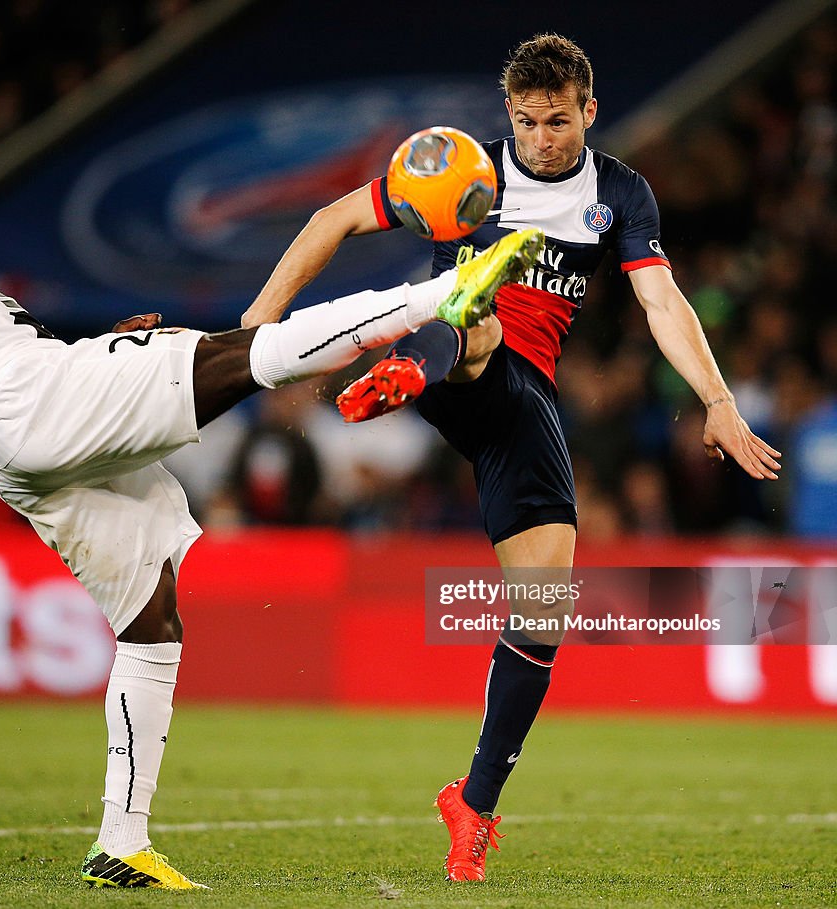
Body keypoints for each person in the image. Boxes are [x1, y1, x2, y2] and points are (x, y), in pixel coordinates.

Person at [0, 133, 543, 890]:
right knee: (239, 355)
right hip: (27, 403)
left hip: (26, 433)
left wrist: (102, 350)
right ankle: (437, 299)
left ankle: (120, 841)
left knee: (151, 620)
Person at [241, 33, 782, 883]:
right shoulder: (464, 170)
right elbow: (332, 217)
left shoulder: (620, 192)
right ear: (509, 118)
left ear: (589, 112)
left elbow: (660, 296)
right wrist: (254, 330)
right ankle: (415, 362)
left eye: (558, 121)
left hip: (521, 407)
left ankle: (475, 803)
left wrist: (717, 400)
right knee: (478, 308)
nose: (541, 139)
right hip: (456, 352)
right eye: (527, 122)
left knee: (544, 610)